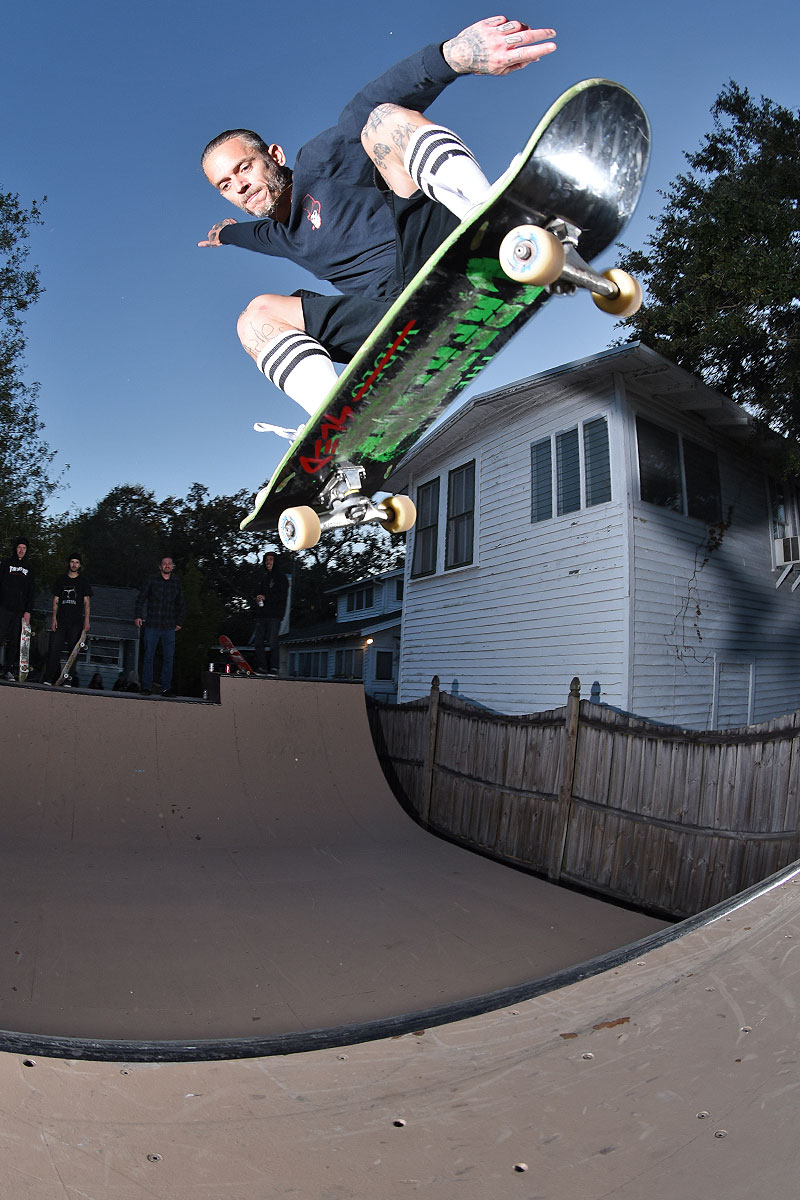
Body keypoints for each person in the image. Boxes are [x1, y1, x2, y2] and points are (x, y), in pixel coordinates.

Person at [199, 16, 557, 418]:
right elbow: (244, 235)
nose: (239, 187)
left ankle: (497, 230)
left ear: (275, 157)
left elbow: (367, 105)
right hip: (394, 323)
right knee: (254, 318)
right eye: (225, 185)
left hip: (434, 254)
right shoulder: (273, 235)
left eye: (244, 168)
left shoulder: (319, 162)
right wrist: (225, 235)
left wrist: (450, 58)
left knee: (383, 122)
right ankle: (336, 426)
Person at [135, 556, 185, 696]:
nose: (167, 566)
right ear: (160, 566)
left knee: (168, 657)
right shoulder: (152, 580)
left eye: (169, 564)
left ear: (172, 566)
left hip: (169, 626)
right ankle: (146, 687)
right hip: (152, 624)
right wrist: (138, 615)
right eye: (164, 564)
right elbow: (141, 598)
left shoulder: (176, 583)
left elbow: (181, 603)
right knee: (149, 656)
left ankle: (166, 688)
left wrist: (179, 621)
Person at [44, 553, 92, 684]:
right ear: (69, 563)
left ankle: (68, 680)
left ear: (80, 565)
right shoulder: (61, 580)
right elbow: (56, 600)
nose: (74, 564)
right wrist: (54, 618)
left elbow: (87, 602)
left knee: (73, 652)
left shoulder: (83, 581)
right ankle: (49, 678)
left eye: (77, 562)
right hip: (61, 620)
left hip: (76, 622)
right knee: (54, 649)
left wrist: (87, 620)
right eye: (72, 562)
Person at [0, 537, 35, 681]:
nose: (21, 550)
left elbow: (31, 591)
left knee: (15, 640)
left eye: (24, 548)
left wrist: (28, 611)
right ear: (15, 549)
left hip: (19, 610)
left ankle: (9, 670)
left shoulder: (29, 568)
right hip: (4, 607)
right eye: (19, 547)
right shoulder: (6, 564)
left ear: (26, 550)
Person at [252, 552, 289, 675]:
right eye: (266, 560)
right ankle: (262, 667)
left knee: (273, 641)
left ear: (275, 561)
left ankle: (274, 667)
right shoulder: (263, 578)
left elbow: (281, 596)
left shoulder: (281, 578)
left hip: (274, 615)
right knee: (258, 642)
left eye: (271, 559)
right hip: (262, 614)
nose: (268, 562)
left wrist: (266, 597)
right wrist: (258, 599)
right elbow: (258, 593)